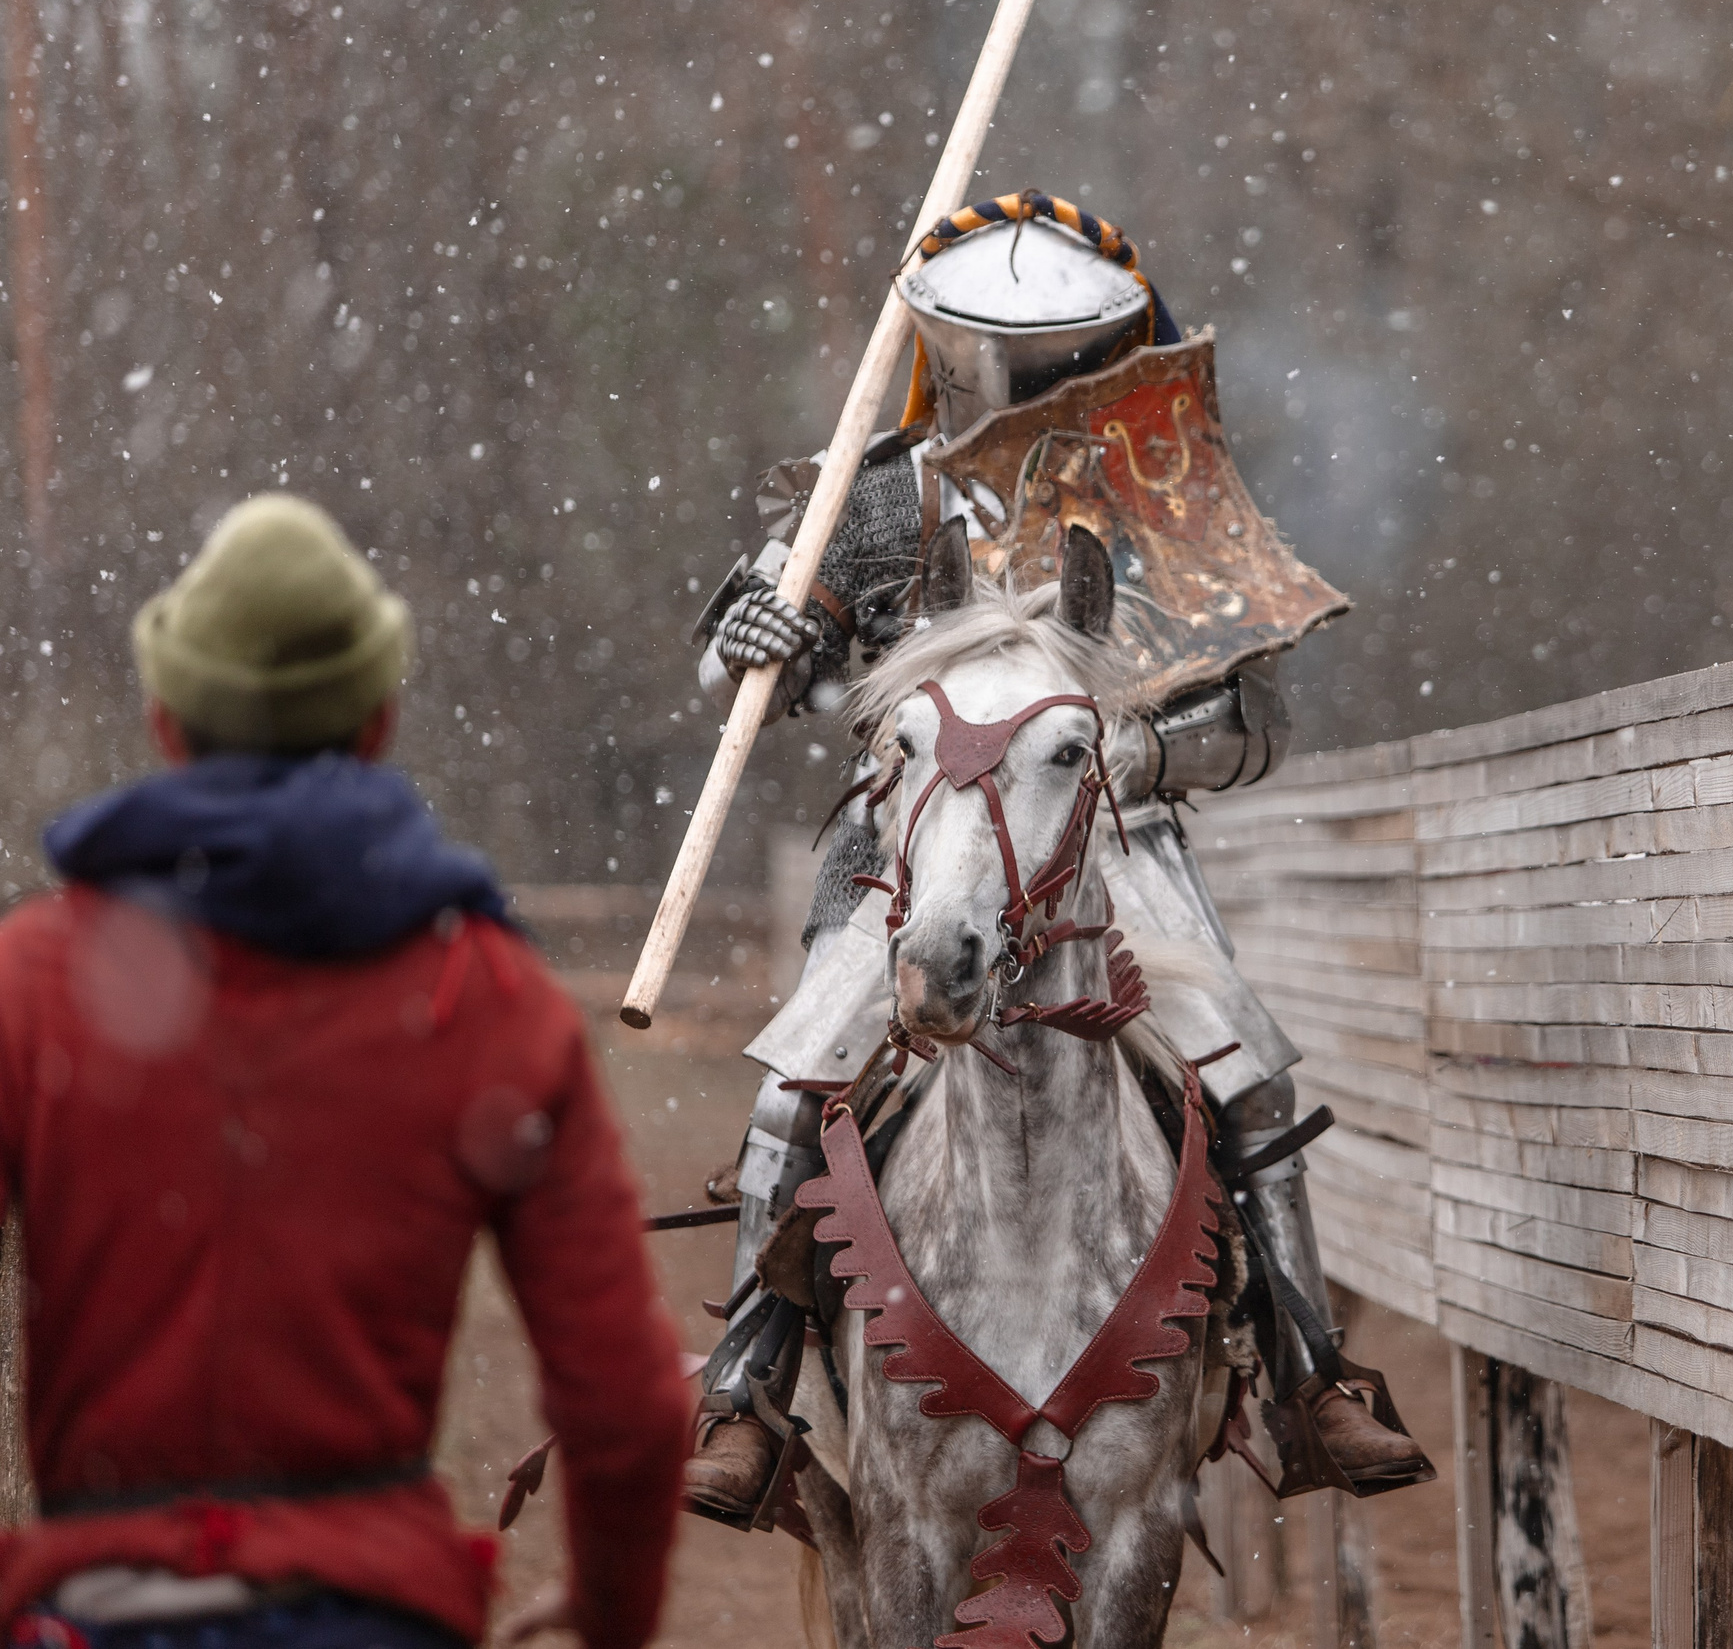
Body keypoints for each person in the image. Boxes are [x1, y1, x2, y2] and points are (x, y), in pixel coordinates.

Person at [680, 192, 1433, 1520]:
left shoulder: (1164, 502)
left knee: (1246, 1069)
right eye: (1001, 358)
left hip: (1111, 844)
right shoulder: (883, 492)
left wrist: (1130, 756)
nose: (1027, 382)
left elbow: (1257, 721)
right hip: (902, 844)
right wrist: (758, 634)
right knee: (797, 1087)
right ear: (944, 347)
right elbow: (758, 673)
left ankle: (1312, 1368)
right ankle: (749, 1389)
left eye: (1055, 358)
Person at [0, 496, 693, 1649]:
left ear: (165, 721)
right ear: (378, 720)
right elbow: (627, 1409)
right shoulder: (490, 1000)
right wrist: (612, 1615)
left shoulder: (29, 982)